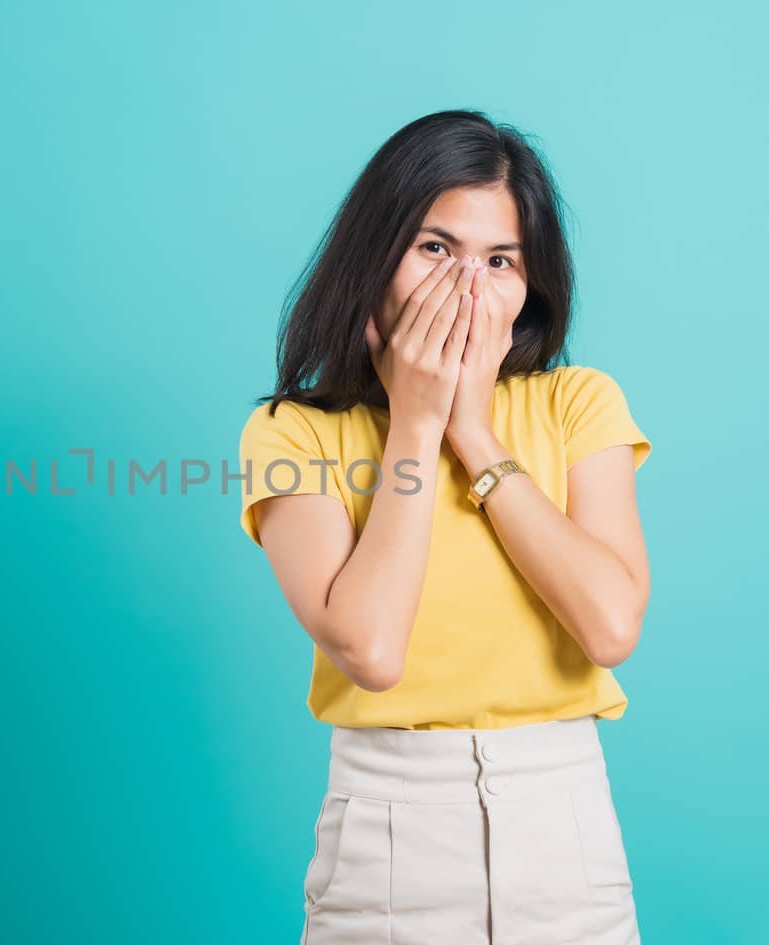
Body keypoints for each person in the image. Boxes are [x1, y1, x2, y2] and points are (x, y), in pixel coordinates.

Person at [237, 109, 651, 945]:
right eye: (435, 248)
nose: (468, 287)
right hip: (387, 845)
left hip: (566, 829)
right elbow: (372, 650)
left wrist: (475, 431)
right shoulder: (291, 434)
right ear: (377, 255)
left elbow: (610, 626)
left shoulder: (579, 404)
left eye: (499, 260)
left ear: (531, 283)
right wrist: (419, 426)